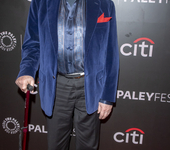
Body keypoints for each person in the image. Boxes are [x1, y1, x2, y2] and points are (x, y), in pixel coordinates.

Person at [15, 0, 119, 149]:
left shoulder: (104, 3)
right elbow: (32, 44)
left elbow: (111, 52)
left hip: (91, 87)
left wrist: (107, 96)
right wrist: (26, 71)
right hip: (56, 86)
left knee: (88, 146)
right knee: (56, 145)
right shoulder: (40, 3)